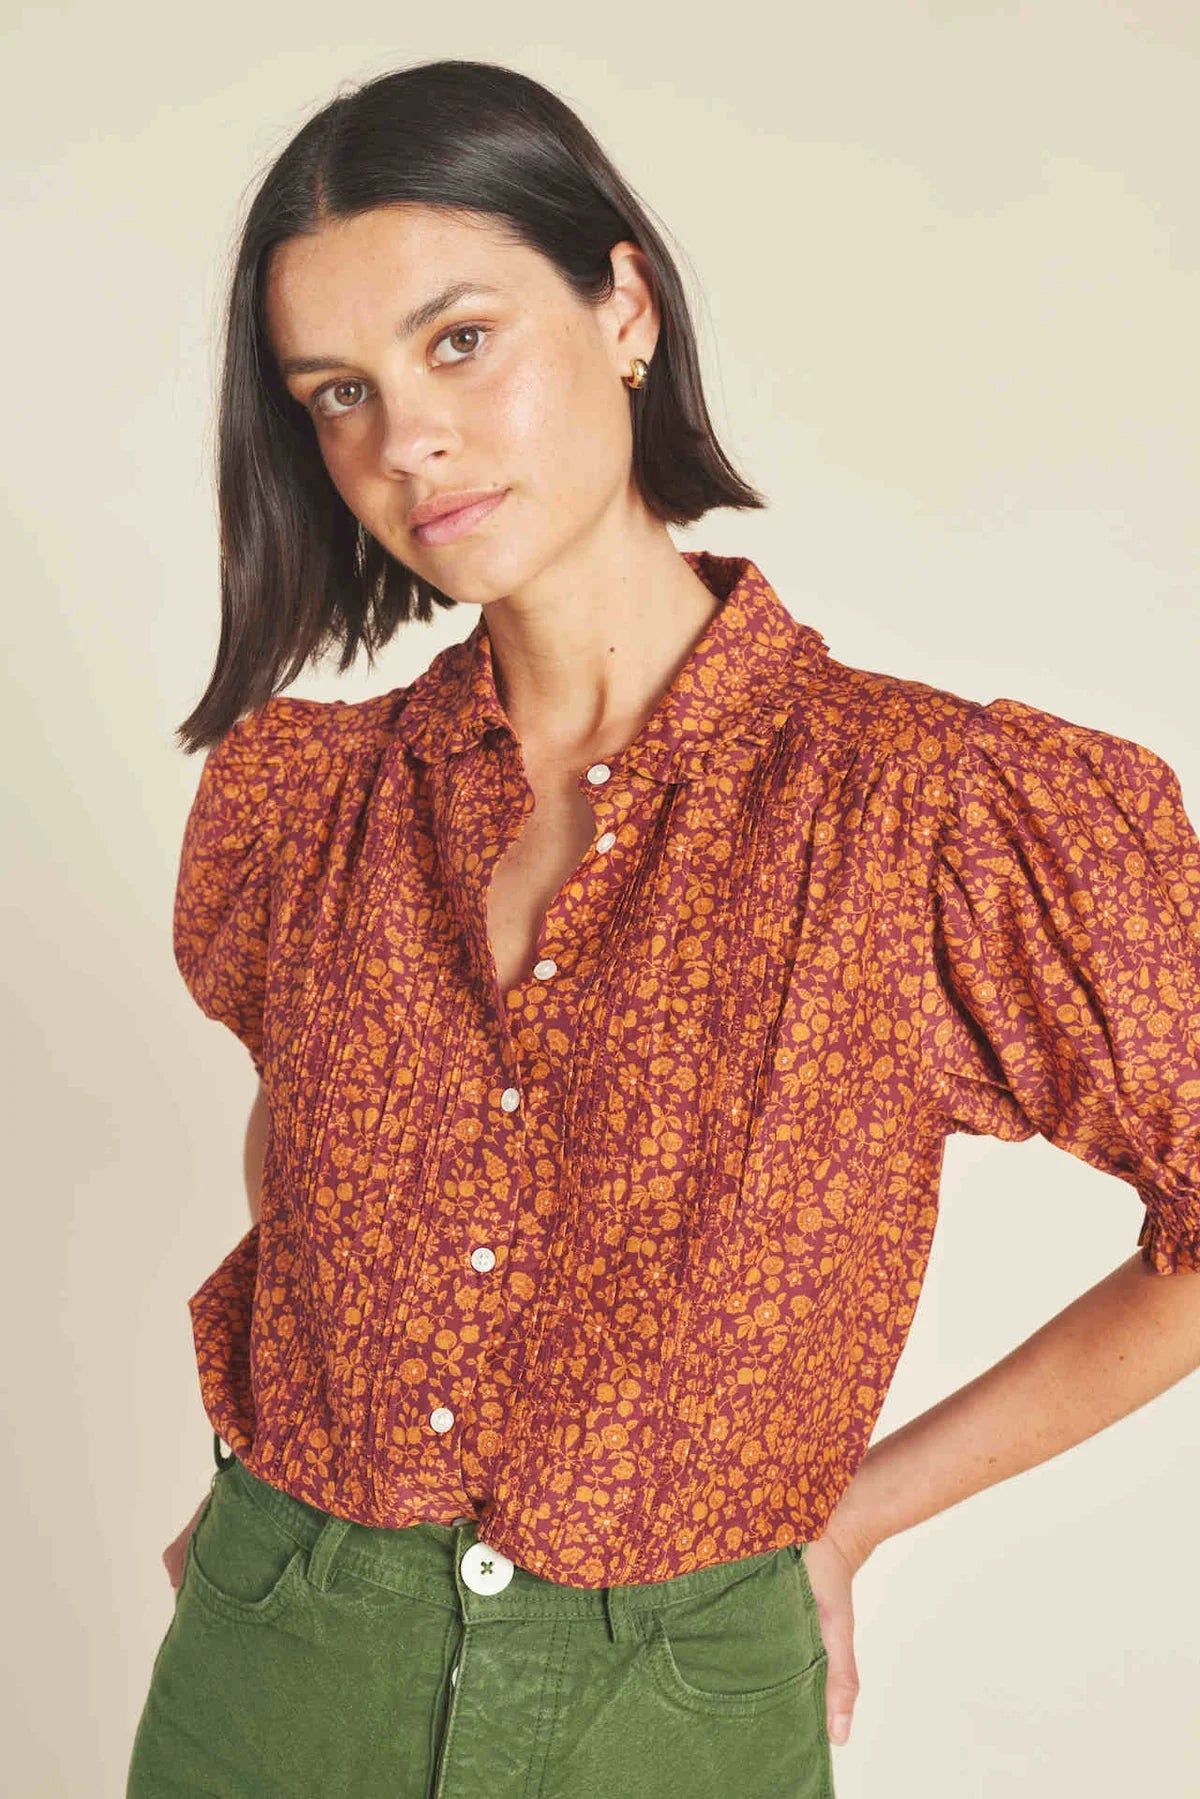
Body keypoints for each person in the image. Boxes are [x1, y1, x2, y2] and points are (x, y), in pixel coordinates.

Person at [127, 56, 1200, 1799]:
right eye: (340, 393)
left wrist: (856, 1512)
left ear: (623, 307)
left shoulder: (920, 813)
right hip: (276, 1661)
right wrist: (314, 1474)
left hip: (671, 1705)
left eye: (460, 340)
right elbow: (311, 1149)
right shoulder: (316, 804)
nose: (407, 442)